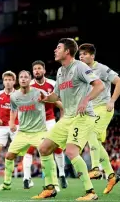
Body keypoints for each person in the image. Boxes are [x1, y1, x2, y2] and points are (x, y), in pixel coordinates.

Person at [37, 38, 104, 200]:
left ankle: (90, 192)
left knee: (71, 151)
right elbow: (56, 96)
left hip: (82, 116)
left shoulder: (80, 66)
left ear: (67, 51)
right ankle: (50, 188)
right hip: (68, 117)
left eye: (58, 47)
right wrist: (45, 97)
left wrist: (86, 100)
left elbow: (99, 85)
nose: (55, 50)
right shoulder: (61, 71)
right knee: (44, 148)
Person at [0, 70, 59, 198]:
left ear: (30, 79)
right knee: (9, 155)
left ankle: (52, 184)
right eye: (21, 77)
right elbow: (13, 110)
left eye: (26, 77)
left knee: (46, 154)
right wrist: (12, 123)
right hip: (22, 132)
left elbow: (54, 101)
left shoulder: (38, 92)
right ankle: (7, 184)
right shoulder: (15, 96)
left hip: (39, 131)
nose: (23, 79)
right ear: (18, 80)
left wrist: (63, 111)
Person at [79, 43, 120, 194]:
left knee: (91, 134)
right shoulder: (82, 71)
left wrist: (112, 101)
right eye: (80, 55)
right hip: (91, 109)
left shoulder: (101, 68)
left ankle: (95, 168)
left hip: (103, 107)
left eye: (84, 54)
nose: (81, 56)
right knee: (96, 142)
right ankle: (111, 175)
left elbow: (119, 81)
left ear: (92, 56)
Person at [22, 60, 67, 189]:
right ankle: (26, 178)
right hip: (34, 122)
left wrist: (62, 120)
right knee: (29, 149)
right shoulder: (28, 85)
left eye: (39, 68)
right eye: (35, 69)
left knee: (56, 148)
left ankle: (62, 175)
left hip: (50, 121)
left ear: (44, 70)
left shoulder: (52, 84)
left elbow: (61, 103)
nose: (37, 70)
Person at [0, 71, 18, 188]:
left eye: (10, 80)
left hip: (16, 127)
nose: (8, 82)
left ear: (14, 82)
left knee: (14, 153)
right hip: (1, 127)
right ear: (3, 81)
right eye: (6, 80)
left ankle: (25, 177)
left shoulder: (19, 94)